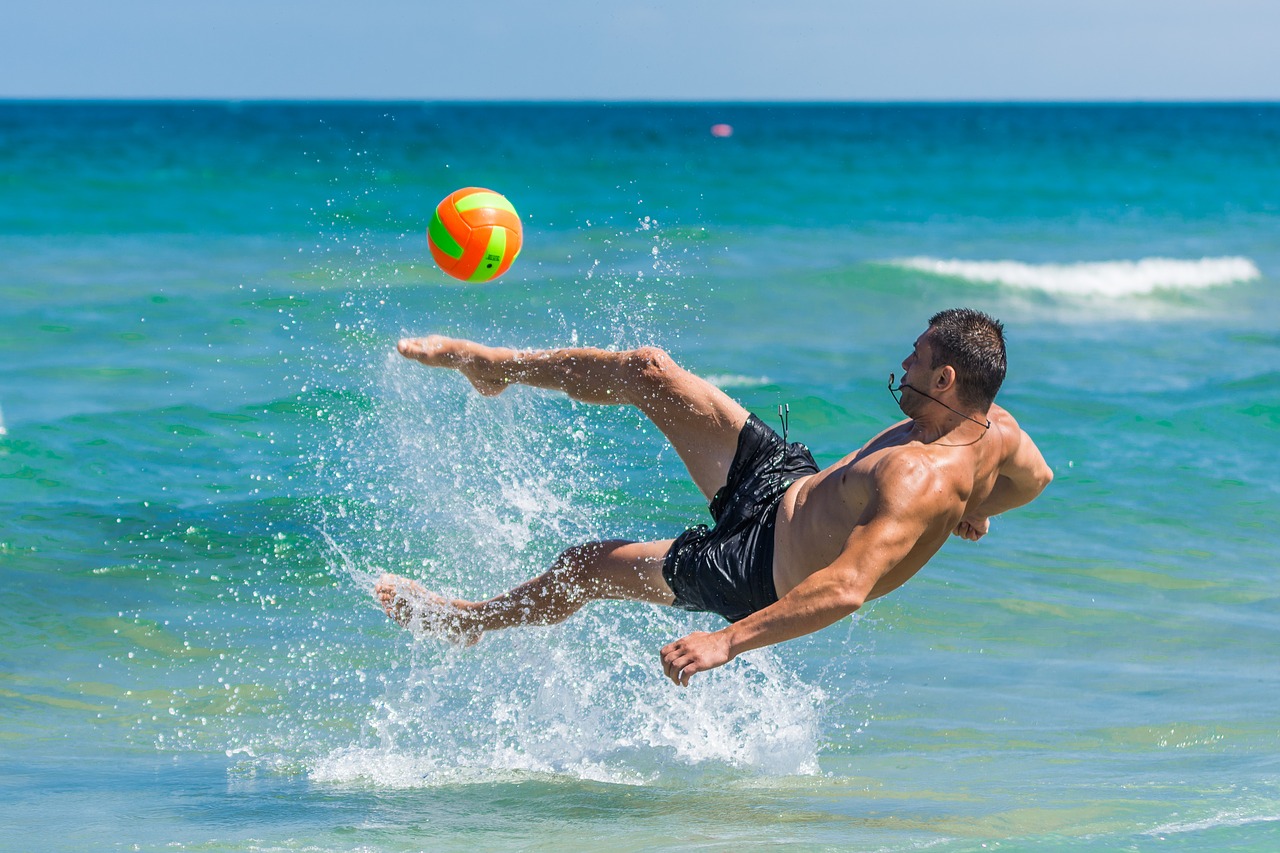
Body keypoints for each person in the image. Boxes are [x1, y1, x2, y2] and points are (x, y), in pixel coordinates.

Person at [377, 308, 1052, 686]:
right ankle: (496, 368)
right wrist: (979, 506)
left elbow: (846, 588)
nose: (903, 365)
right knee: (649, 371)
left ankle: (468, 621)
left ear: (945, 375)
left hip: (756, 568)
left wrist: (726, 641)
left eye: (914, 357)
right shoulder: (999, 435)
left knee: (584, 566)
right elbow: (1038, 480)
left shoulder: (919, 481)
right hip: (787, 481)